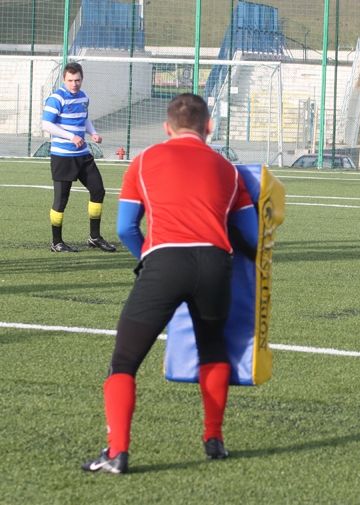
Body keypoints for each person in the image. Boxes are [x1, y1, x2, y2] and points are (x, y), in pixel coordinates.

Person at [82, 93, 257, 474]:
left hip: (165, 262)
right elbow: (252, 236)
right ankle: (214, 439)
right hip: (215, 265)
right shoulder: (229, 170)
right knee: (212, 348)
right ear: (208, 126)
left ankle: (117, 452)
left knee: (124, 361)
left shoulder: (144, 161)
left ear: (166, 127)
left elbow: (126, 228)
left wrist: (148, 259)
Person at [42, 62, 116, 253]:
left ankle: (94, 237)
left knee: (98, 190)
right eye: (70, 80)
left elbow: (85, 118)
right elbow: (47, 125)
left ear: (82, 79)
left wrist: (93, 133)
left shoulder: (84, 97)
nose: (74, 84)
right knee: (61, 200)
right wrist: (71, 136)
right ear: (64, 79)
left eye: (77, 80)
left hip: (83, 155)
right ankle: (56, 242)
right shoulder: (57, 98)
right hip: (63, 157)